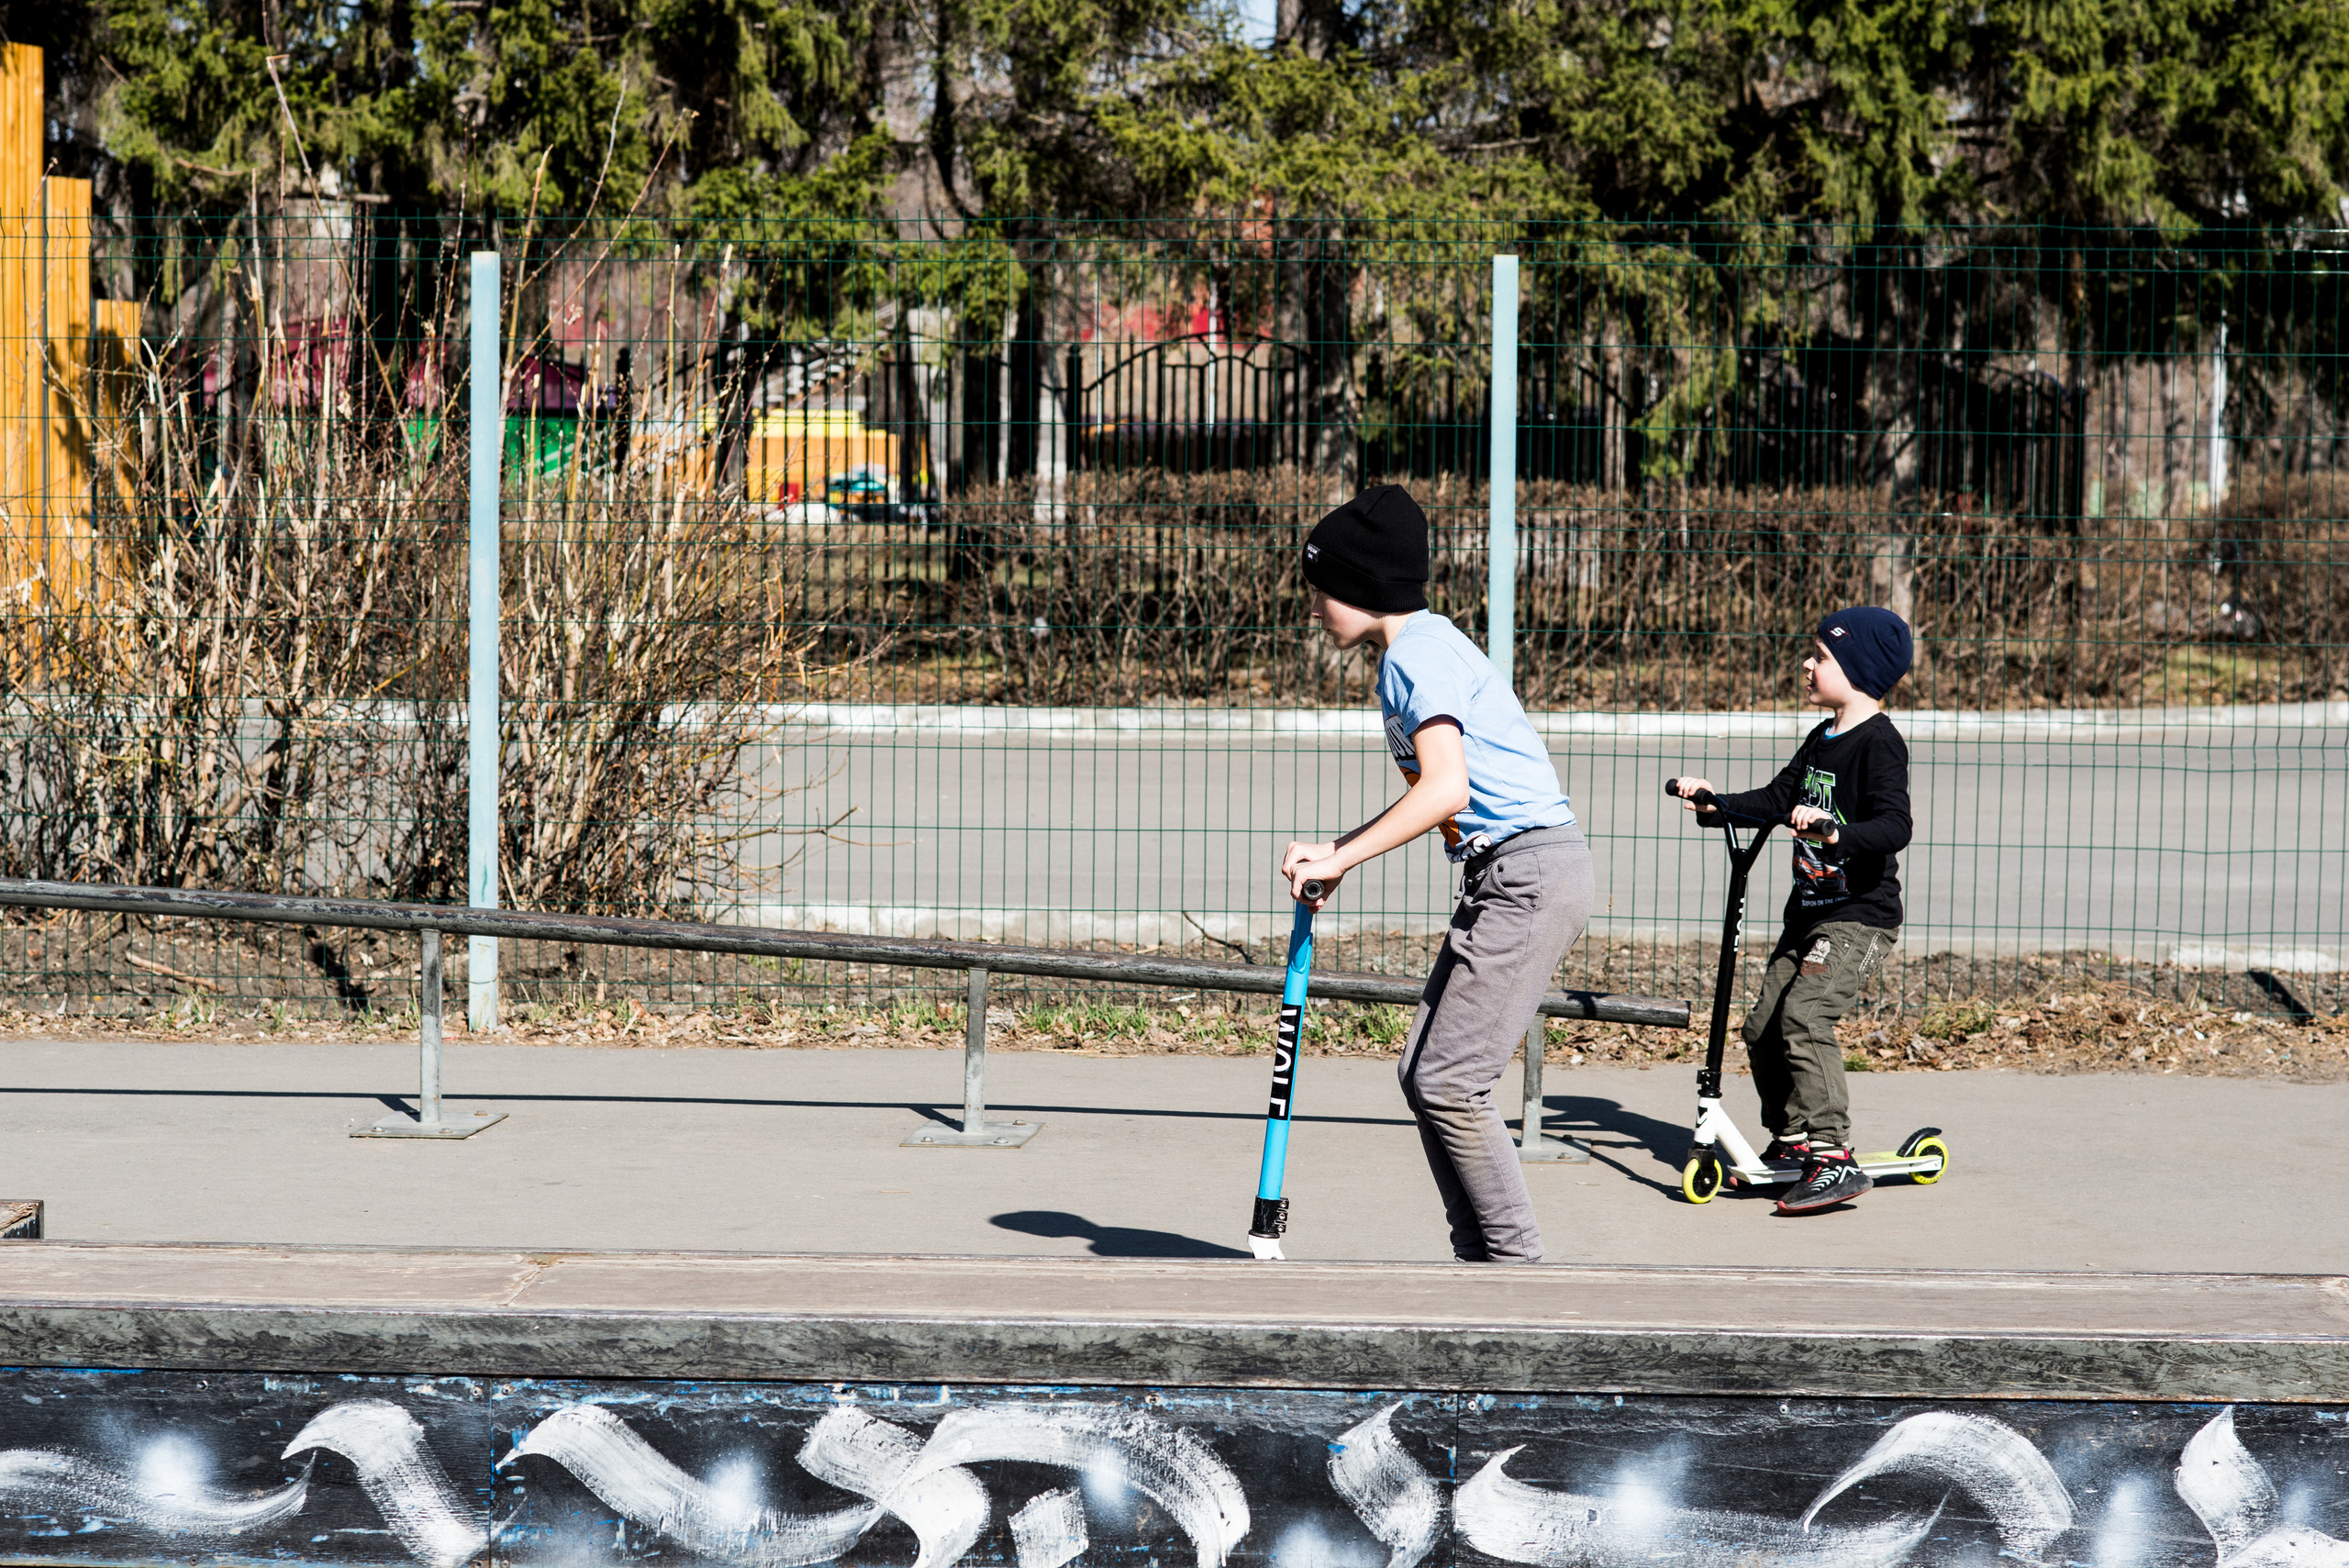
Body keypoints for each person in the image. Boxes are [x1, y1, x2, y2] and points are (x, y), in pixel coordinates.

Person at [1278, 484, 1592, 1264]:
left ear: (1362, 586)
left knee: (1452, 1080)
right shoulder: (1421, 647)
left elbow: (1445, 787)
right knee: (1425, 1069)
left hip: (1529, 873)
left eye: (1322, 590)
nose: (1315, 607)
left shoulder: (1416, 655)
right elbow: (1443, 789)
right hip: (1507, 872)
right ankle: (1479, 1260)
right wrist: (1340, 847)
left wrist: (1345, 854)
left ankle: (1513, 1272)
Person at [1672, 606, 1914, 1214]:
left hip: (1859, 916)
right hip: (1807, 913)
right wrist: (1718, 804)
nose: (1808, 664)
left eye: (1822, 657)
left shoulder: (1879, 743)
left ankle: (1833, 1155)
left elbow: (1895, 824)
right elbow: (1781, 798)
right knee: (1762, 1025)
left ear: (1858, 670)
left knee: (1804, 1017)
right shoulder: (1821, 739)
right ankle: (1795, 1135)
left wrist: (1837, 832)